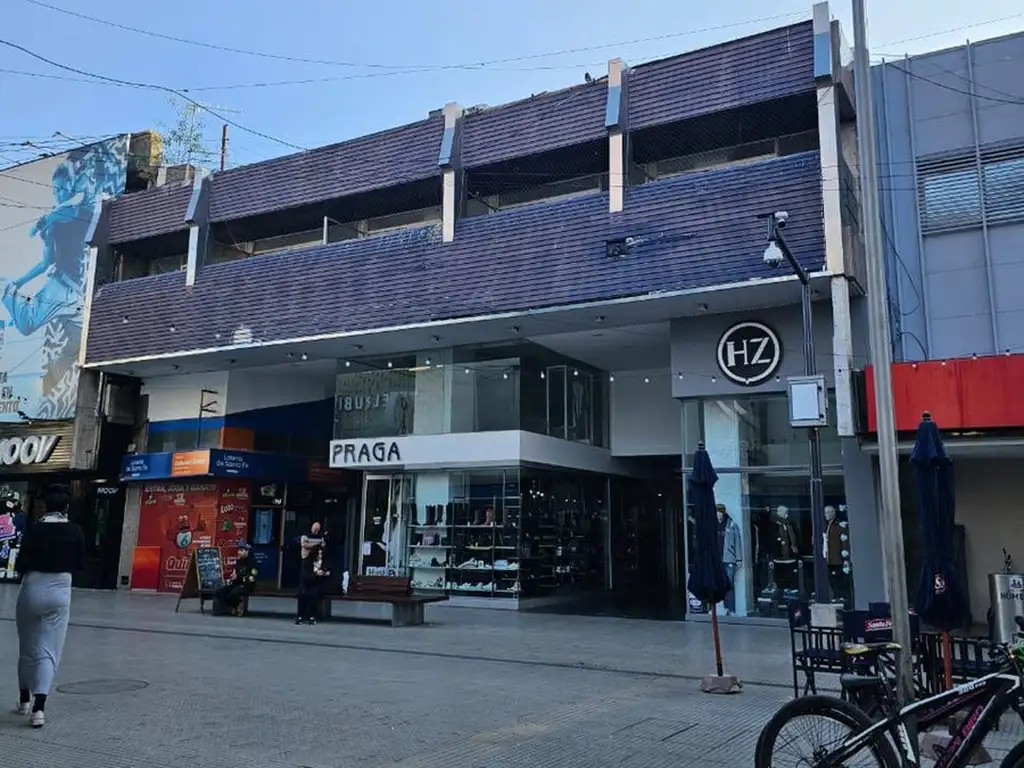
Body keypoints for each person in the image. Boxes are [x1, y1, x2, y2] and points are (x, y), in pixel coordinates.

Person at [13, 485, 85, 728]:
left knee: (27, 647)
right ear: (66, 507)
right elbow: (80, 563)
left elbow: (21, 563)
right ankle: (39, 708)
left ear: (45, 506)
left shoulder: (34, 529)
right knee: (49, 650)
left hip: (32, 587)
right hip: (60, 590)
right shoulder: (75, 530)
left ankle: (24, 699)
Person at [212, 544, 258, 616]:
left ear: (247, 551)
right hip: (236, 583)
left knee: (232, 594)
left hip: (247, 585)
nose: (239, 552)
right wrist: (232, 577)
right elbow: (236, 572)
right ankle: (236, 604)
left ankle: (238, 605)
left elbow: (252, 578)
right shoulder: (239, 561)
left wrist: (239, 577)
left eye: (241, 550)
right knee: (219, 592)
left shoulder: (253, 562)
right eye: (238, 550)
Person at [297, 540, 331, 626]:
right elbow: (305, 575)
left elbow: (329, 572)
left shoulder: (325, 562)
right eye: (318, 554)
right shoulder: (307, 561)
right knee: (302, 593)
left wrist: (324, 574)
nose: (320, 556)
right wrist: (315, 574)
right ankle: (300, 616)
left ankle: (312, 616)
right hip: (308, 583)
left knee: (314, 593)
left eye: (321, 554)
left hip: (319, 583)